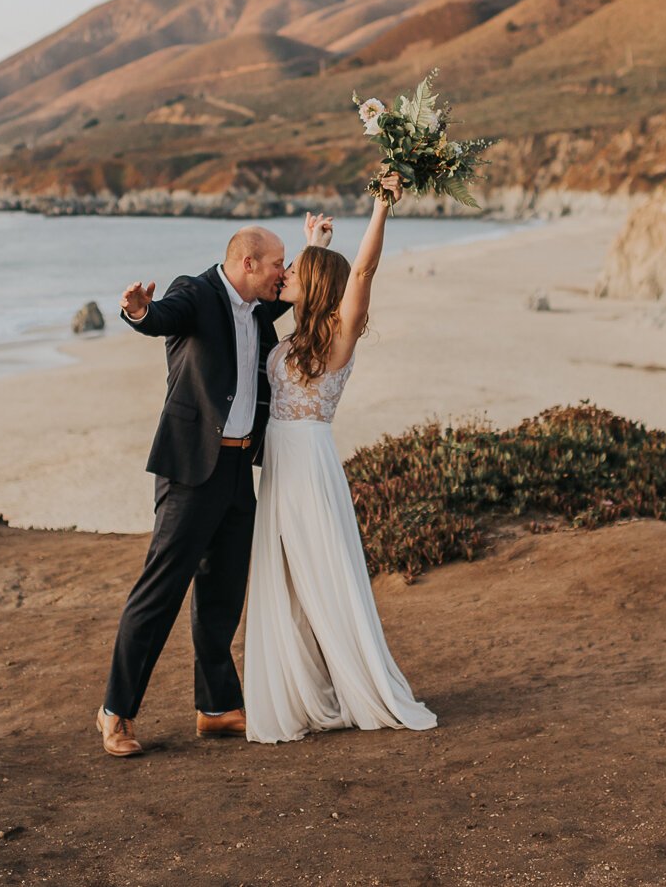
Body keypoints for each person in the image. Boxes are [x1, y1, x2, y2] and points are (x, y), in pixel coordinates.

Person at [96, 214, 332, 757]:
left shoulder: (259, 303)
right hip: (189, 470)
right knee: (160, 593)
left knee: (223, 594)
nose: (283, 273)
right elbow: (161, 317)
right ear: (247, 264)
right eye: (276, 265)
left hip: (236, 471)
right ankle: (116, 711)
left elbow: (303, 289)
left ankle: (217, 707)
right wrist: (137, 311)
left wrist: (312, 245)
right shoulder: (195, 293)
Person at [245, 170, 436, 743]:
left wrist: (380, 208)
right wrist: (314, 249)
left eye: (294, 272)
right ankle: (303, 691)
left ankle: (355, 685)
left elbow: (364, 271)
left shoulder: (337, 335)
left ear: (318, 286)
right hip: (278, 465)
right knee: (287, 581)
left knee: (322, 574)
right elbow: (317, 279)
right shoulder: (297, 334)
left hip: (309, 464)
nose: (285, 277)